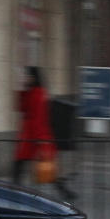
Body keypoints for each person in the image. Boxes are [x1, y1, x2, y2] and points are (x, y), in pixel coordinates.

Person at [13, 66, 76, 200]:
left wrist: (40, 138)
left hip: (36, 134)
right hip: (30, 133)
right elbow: (21, 108)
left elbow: (39, 117)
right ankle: (15, 188)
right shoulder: (32, 92)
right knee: (22, 162)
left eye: (28, 77)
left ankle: (63, 191)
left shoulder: (39, 93)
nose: (26, 79)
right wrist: (22, 90)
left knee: (46, 166)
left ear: (34, 78)